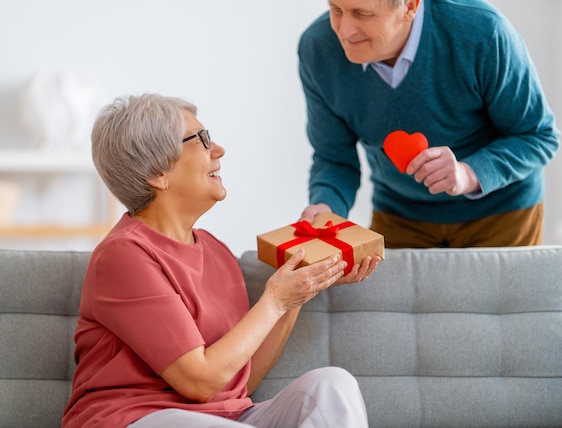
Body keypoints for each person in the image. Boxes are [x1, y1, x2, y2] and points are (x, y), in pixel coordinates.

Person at [62, 94, 377, 427]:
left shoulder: (216, 250)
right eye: (201, 140)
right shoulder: (124, 255)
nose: (219, 150)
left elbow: (238, 381)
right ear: (158, 173)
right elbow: (199, 382)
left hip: (229, 417)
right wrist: (273, 300)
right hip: (135, 417)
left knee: (332, 385)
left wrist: (298, 291)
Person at [297, 0, 560, 248]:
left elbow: (537, 136)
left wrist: (467, 174)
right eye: (336, 9)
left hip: (502, 212)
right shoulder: (316, 49)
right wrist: (326, 206)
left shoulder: (484, 32)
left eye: (362, 13)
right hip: (399, 214)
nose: (344, 31)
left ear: (411, 5)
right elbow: (334, 158)